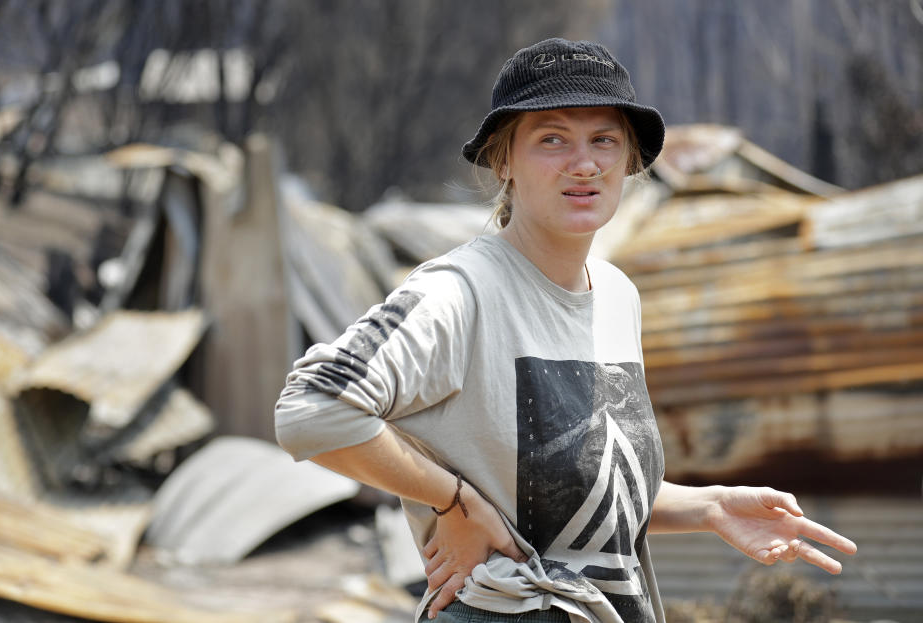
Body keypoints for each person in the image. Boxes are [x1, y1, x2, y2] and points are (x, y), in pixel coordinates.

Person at [275, 38, 857, 623]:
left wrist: (708, 507)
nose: (584, 163)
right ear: (503, 161)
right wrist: (452, 501)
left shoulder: (616, 295)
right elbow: (312, 406)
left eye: (604, 139)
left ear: (630, 159)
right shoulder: (460, 292)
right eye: (552, 139)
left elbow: (577, 490)